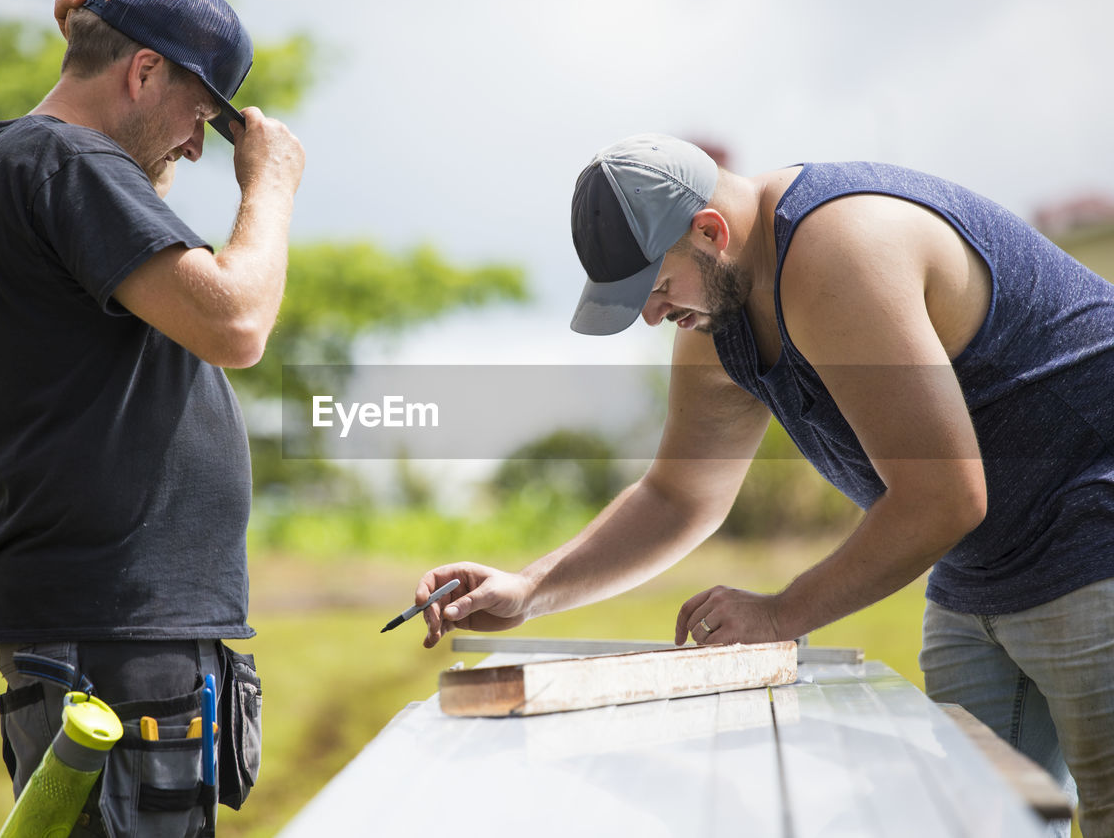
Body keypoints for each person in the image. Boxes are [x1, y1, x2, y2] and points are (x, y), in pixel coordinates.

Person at [413, 134, 1113, 836]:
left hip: (1095, 530)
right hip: (979, 571)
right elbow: (678, 497)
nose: (654, 316)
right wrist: (530, 590)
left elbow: (944, 497)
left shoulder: (837, 249)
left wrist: (780, 615)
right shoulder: (719, 311)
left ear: (710, 232)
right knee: (976, 823)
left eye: (656, 288)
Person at [0, 0, 303, 833]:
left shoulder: (14, 168)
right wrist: (272, 184)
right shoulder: (64, 161)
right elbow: (237, 319)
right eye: (199, 113)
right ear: (142, 72)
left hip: (105, 627)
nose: (198, 145)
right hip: (116, 636)